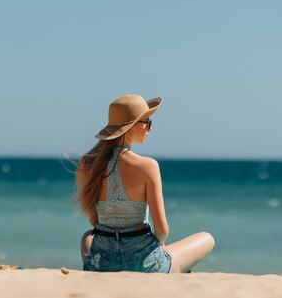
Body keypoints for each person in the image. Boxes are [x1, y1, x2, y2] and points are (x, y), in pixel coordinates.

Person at [76, 94, 215, 273]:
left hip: (102, 263)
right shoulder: (147, 166)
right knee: (207, 238)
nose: (150, 128)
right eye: (147, 122)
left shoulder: (87, 164)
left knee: (87, 237)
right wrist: (159, 246)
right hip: (143, 265)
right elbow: (162, 230)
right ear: (131, 127)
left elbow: (94, 221)